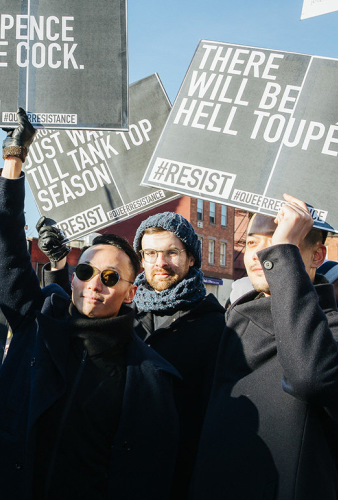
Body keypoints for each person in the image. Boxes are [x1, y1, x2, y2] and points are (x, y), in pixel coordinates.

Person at [0, 110, 181, 500]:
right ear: (73, 274)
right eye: (87, 271)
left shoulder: (148, 377)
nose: (94, 285)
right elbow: (4, 252)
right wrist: (14, 156)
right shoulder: (37, 322)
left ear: (130, 292)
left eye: (110, 278)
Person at [189, 203, 338, 500]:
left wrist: (283, 256)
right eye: (251, 242)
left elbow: (311, 378)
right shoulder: (229, 325)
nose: (259, 254)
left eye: (278, 241)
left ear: (317, 256)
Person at [130, 212, 225, 499]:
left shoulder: (217, 326)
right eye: (151, 253)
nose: (161, 263)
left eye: (172, 252)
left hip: (178, 478)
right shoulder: (124, 316)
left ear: (192, 258)